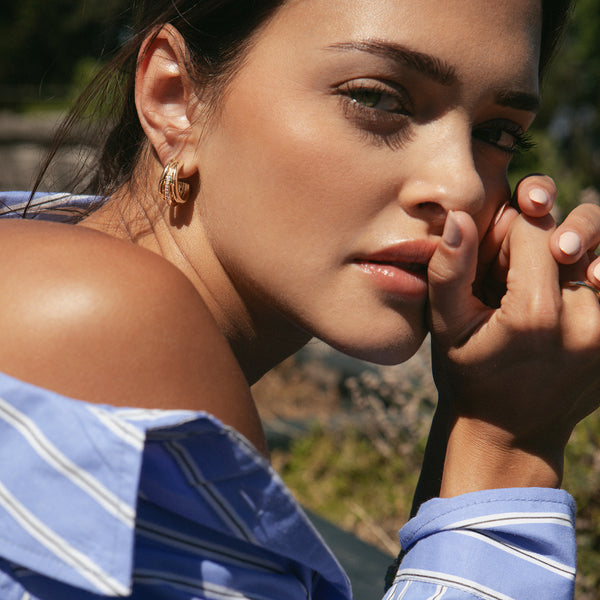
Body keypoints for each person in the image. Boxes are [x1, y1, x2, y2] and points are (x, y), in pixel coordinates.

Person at [1, 0, 600, 598]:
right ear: (174, 97)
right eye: (376, 98)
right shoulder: (94, 317)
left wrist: (481, 406)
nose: (463, 187)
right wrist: (510, 447)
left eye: (497, 134)